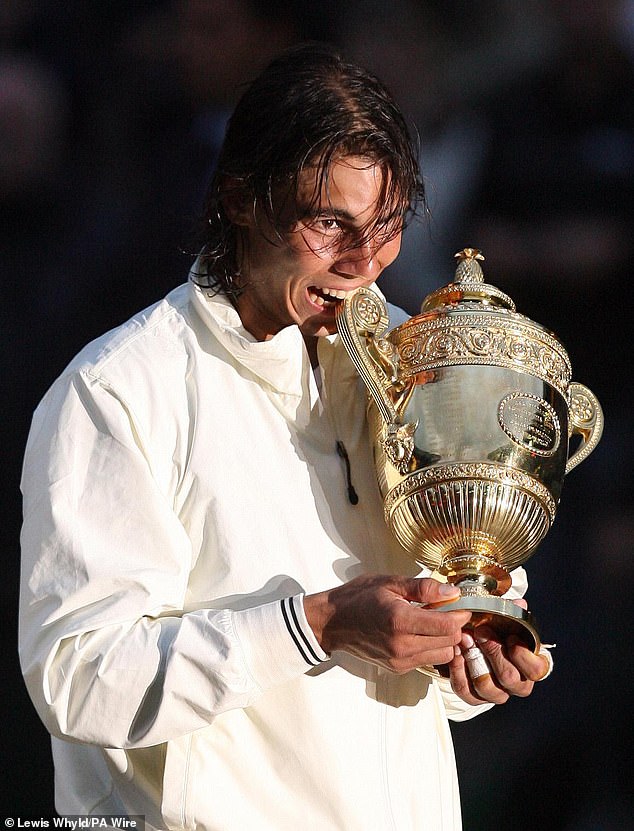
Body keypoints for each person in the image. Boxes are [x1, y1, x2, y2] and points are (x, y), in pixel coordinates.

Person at [19, 43, 551, 831]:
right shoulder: (117, 391)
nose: (363, 263)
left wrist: (473, 651)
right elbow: (79, 681)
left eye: (389, 225)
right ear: (239, 198)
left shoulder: (419, 360)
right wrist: (319, 624)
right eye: (330, 222)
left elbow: (438, 631)